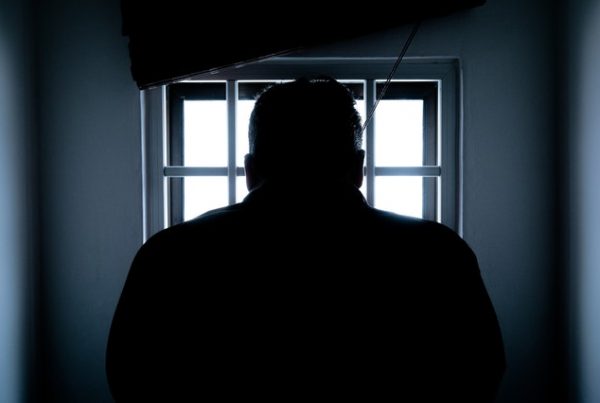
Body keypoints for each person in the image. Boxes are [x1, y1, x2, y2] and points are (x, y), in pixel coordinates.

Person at [106, 77, 505, 402]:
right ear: (359, 167)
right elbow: (478, 376)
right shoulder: (438, 254)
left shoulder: (170, 255)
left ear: (249, 169)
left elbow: (132, 382)